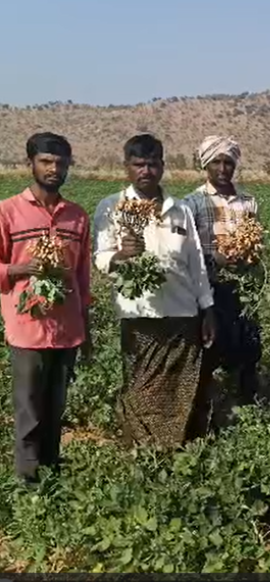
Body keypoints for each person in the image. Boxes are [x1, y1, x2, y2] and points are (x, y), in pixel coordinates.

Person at [93, 134, 217, 448]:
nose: (146, 171)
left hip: (183, 314)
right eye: (138, 165)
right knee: (141, 389)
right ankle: (144, 451)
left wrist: (208, 309)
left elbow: (196, 264)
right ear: (127, 168)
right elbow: (100, 258)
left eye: (152, 164)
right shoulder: (111, 208)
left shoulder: (180, 210)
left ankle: (177, 451)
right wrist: (120, 256)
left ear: (162, 167)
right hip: (140, 315)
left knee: (181, 389)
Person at [0, 132, 92, 483]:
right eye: (46, 162)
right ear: (30, 164)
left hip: (67, 330)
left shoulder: (77, 217)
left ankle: (51, 480)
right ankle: (27, 485)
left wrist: (87, 330)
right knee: (29, 412)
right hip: (26, 329)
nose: (54, 169)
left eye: (61, 163)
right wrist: (20, 269)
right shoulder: (8, 212)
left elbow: (82, 279)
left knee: (56, 410)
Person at [182, 135, 262, 427]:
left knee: (247, 348)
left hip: (243, 288)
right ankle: (204, 417)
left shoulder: (248, 202)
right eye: (217, 161)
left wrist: (250, 256)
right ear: (206, 165)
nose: (223, 168)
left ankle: (245, 410)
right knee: (208, 352)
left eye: (229, 162)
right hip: (209, 289)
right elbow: (187, 253)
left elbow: (255, 240)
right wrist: (215, 258)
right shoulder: (191, 203)